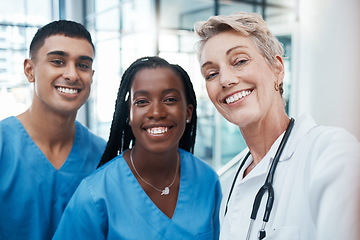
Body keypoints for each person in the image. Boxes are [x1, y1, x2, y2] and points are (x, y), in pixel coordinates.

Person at [194, 11, 360, 240]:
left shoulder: (331, 152)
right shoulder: (231, 184)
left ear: (278, 69)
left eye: (240, 61)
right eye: (212, 73)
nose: (225, 80)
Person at [53, 56, 222, 239]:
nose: (157, 112)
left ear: (188, 112)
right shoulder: (94, 195)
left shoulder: (207, 180)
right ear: (128, 115)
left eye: (170, 99)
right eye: (142, 102)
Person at [0, 20, 106, 240]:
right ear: (30, 71)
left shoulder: (103, 156)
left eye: (83, 65)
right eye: (58, 62)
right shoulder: (3, 145)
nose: (72, 74)